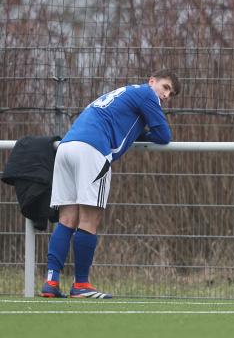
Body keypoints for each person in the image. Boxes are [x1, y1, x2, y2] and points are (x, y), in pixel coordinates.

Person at [40, 70, 180, 299]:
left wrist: (137, 133)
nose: (166, 96)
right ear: (152, 81)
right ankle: (81, 285)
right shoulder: (147, 94)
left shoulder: (125, 93)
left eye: (171, 94)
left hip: (67, 146)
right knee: (89, 219)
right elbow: (164, 136)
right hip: (92, 149)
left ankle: (51, 282)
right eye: (165, 87)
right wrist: (144, 135)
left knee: (66, 219)